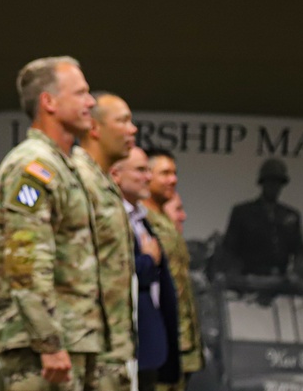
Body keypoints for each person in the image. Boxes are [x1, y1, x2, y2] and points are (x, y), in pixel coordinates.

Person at [0, 56, 106, 391]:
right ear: (48, 102)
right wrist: (49, 341)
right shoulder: (34, 166)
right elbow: (26, 262)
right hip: (40, 348)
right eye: (81, 93)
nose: (91, 102)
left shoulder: (65, 164)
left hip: (70, 337)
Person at [72, 93, 137, 391]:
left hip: (108, 346)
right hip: (84, 347)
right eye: (123, 120)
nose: (133, 129)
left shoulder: (104, 183)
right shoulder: (77, 178)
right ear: (95, 129)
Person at [110, 147, 179, 391]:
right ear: (115, 174)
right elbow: (111, 273)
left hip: (148, 344)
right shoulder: (110, 217)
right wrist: (148, 262)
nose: (148, 177)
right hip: (122, 346)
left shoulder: (141, 219)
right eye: (141, 170)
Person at [141, 149, 203, 391]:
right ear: (147, 176)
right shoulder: (141, 220)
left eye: (174, 173)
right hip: (161, 340)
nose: (173, 179)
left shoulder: (165, 221)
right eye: (165, 173)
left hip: (181, 338)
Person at [221, 158, 303, 277]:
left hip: (281, 281)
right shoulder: (242, 213)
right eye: (270, 181)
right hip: (248, 279)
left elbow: (299, 252)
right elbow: (229, 250)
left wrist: (295, 274)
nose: (274, 186)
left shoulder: (291, 216)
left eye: (278, 182)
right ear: (262, 183)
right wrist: (235, 274)